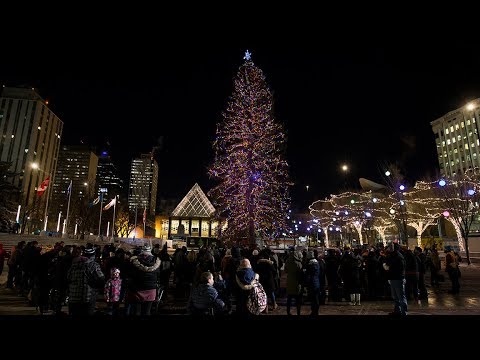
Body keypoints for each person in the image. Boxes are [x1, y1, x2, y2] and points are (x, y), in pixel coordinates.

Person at [67, 246, 105, 317]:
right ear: (93, 256)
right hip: (87, 297)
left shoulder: (73, 264)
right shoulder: (94, 265)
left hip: (73, 297)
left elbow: (68, 278)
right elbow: (101, 279)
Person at [383, 243, 408, 316]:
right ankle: (398, 311)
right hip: (394, 277)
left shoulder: (398, 256)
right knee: (396, 297)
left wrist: (388, 267)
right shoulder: (394, 255)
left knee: (400, 296)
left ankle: (403, 312)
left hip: (398, 278)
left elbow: (398, 267)